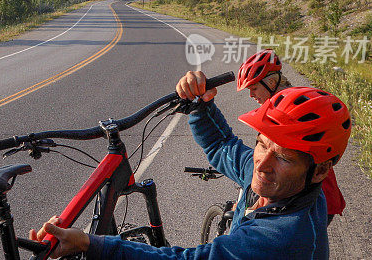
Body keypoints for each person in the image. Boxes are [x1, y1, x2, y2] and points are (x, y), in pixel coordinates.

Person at [29, 71, 351, 259]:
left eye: (283, 157)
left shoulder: (283, 235)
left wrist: (89, 243)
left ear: (321, 171)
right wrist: (200, 105)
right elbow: (222, 145)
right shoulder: (282, 184)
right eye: (262, 143)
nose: (262, 164)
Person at [237, 49, 345, 223]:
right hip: (320, 196)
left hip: (311, 199)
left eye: (254, 88)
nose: (251, 95)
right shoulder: (294, 100)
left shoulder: (283, 114)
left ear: (271, 83)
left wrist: (245, 205)